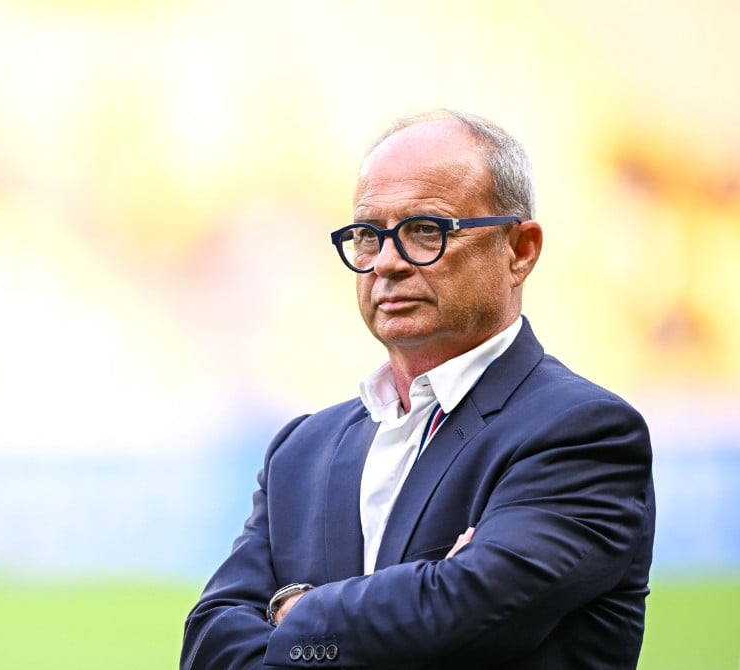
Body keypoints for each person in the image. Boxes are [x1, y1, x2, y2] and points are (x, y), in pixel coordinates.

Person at [181, 109, 655, 669]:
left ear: (520, 250)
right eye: (367, 235)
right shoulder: (301, 451)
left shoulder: (583, 432)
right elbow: (209, 642)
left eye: (426, 230)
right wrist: (416, 598)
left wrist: (297, 612)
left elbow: (464, 614)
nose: (386, 262)